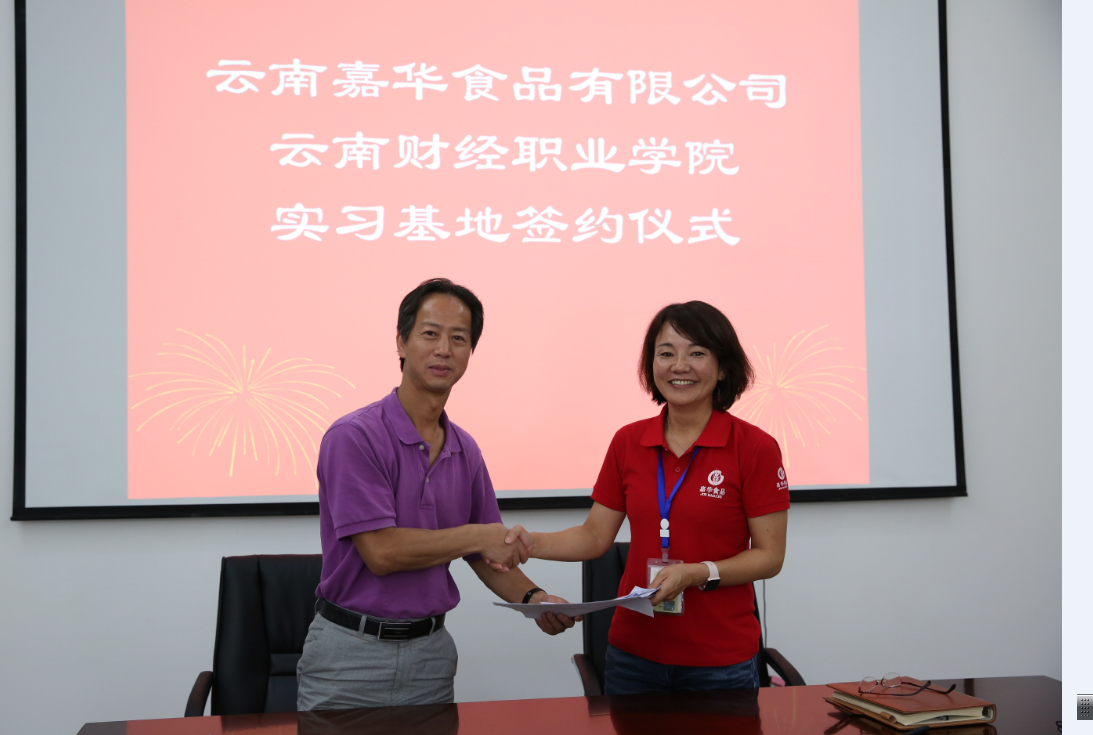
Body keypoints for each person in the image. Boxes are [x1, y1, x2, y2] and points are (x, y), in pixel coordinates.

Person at [297, 278, 576, 711]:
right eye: (430, 333)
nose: (444, 349)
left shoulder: (465, 449)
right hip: (350, 656)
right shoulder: (354, 436)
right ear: (401, 342)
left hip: (431, 655)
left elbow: (489, 555)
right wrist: (478, 536)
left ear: (470, 353)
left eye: (458, 338)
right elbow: (382, 552)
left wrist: (535, 599)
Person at [510, 301, 789, 694]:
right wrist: (528, 544)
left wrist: (697, 573)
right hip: (633, 656)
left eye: (697, 353)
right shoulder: (628, 441)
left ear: (723, 368)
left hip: (719, 661)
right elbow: (594, 536)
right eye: (666, 353)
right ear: (651, 364)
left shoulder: (755, 447)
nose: (679, 366)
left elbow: (769, 556)